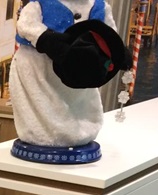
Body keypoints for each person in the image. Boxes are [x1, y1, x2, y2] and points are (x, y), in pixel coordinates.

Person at [9, 0, 125, 148]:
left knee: (81, 105)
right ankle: (41, 133)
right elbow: (26, 24)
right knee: (42, 105)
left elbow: (109, 34)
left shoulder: (99, 7)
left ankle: (81, 131)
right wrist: (46, 38)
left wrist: (118, 51)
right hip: (39, 69)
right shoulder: (41, 4)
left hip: (79, 70)